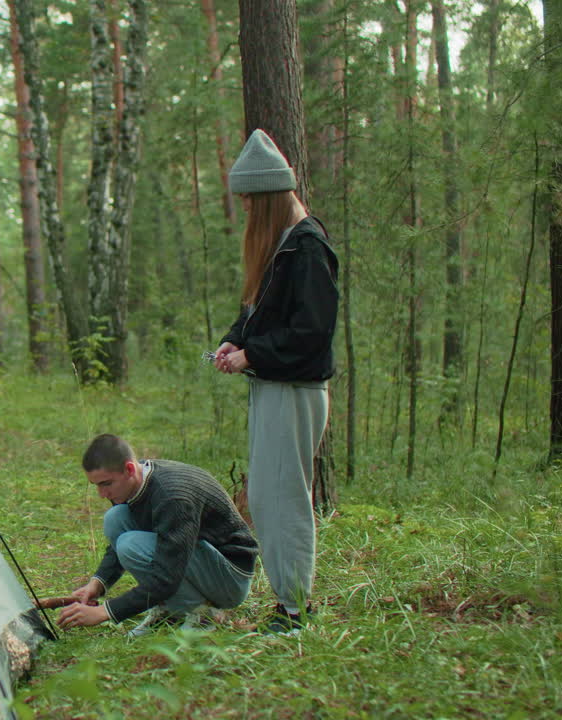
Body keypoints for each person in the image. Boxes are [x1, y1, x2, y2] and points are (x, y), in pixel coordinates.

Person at [212, 128, 339, 634]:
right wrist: (234, 341)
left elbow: (311, 333)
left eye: (247, 200)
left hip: (294, 391)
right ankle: (290, 602)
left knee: (283, 499)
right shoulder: (281, 246)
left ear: (266, 197)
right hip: (273, 389)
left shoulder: (307, 248)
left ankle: (295, 609)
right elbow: (259, 313)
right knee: (267, 497)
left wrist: (252, 355)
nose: (244, 210)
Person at [57, 434, 257, 637]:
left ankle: (202, 616)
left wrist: (104, 612)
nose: (101, 494)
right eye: (97, 485)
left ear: (129, 469)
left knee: (130, 545)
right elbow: (126, 538)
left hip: (231, 577)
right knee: (115, 518)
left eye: (106, 484)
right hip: (197, 559)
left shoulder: (172, 496)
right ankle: (170, 610)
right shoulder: (134, 483)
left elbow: (166, 578)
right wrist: (98, 583)